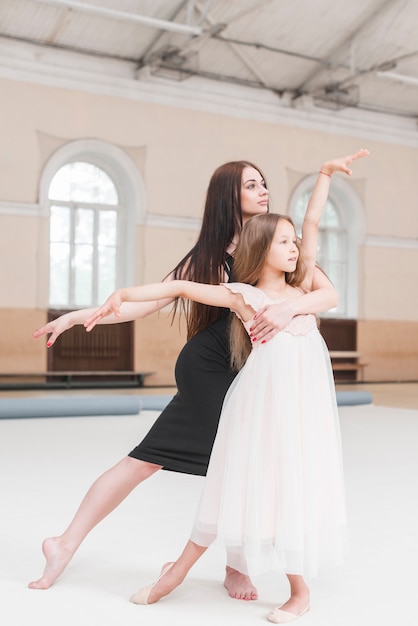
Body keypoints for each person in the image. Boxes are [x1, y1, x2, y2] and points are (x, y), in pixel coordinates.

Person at [29, 158, 340, 600]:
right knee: (179, 458)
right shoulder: (212, 257)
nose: (264, 190)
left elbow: (322, 293)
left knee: (246, 461)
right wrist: (80, 316)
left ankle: (235, 566)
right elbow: (152, 299)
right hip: (212, 367)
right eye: (252, 185)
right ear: (229, 196)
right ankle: (65, 544)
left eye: (264, 183)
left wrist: (291, 307)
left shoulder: (278, 243)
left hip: (253, 370)